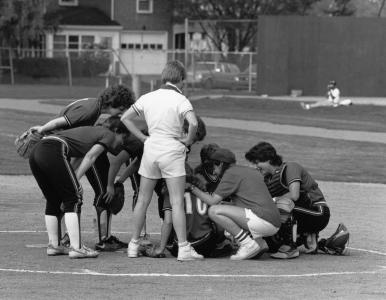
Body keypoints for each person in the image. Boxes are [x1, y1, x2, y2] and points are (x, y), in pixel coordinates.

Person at [30, 85, 134, 250]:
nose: (121, 114)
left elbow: (79, 148)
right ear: (113, 103)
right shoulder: (91, 109)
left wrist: (71, 176)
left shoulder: (95, 109)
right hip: (58, 147)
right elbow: (62, 123)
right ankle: (98, 240)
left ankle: (63, 240)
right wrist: (42, 129)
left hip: (62, 148)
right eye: (121, 109)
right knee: (94, 193)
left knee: (65, 194)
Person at [120, 60, 203, 261]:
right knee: (176, 201)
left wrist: (142, 138)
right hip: (172, 151)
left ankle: (133, 244)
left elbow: (125, 118)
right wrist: (188, 139)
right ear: (181, 79)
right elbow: (193, 123)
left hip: (151, 149)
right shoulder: (181, 99)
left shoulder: (148, 97)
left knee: (142, 199)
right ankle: (183, 248)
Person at [187, 147, 281, 260]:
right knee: (223, 208)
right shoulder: (247, 170)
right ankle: (260, 244)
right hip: (274, 221)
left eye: (214, 166)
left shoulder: (230, 174)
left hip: (263, 220)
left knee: (214, 211)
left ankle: (248, 244)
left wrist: (192, 188)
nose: (214, 171)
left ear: (220, 164)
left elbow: (211, 201)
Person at [244, 141, 331, 259]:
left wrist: (272, 201)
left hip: (318, 212)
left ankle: (290, 248)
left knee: (281, 204)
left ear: (269, 159)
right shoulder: (268, 179)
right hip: (299, 214)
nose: (255, 166)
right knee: (272, 246)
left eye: (257, 162)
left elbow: (294, 195)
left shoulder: (290, 167)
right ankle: (308, 237)